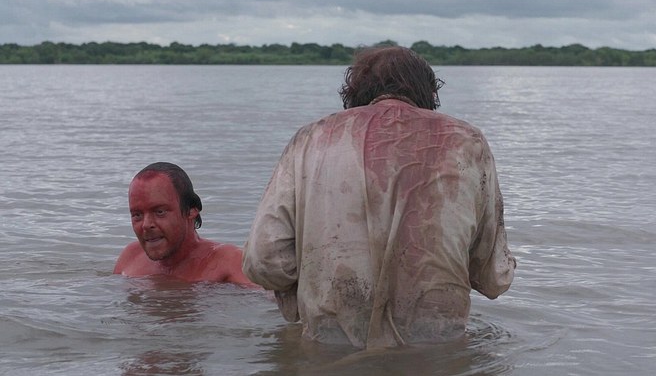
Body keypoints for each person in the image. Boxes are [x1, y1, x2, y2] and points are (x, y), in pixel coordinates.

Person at [242, 45, 516, 348]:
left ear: (353, 94)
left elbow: (264, 260)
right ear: (430, 96)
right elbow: (494, 278)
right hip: (435, 349)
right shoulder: (469, 142)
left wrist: (308, 289)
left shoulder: (310, 139)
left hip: (330, 348)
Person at [114, 162, 254, 286]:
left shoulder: (229, 262)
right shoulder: (130, 257)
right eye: (137, 215)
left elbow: (262, 300)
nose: (146, 225)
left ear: (191, 210)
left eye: (160, 212)